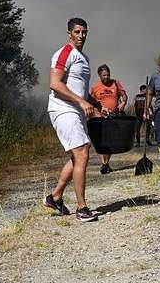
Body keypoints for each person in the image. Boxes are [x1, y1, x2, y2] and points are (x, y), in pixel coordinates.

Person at [43, 17, 100, 222]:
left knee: (78, 155)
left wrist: (95, 104)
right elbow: (55, 84)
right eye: (77, 32)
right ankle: (82, 208)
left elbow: (79, 88)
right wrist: (81, 102)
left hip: (76, 109)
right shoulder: (65, 53)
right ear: (69, 34)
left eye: (84, 32)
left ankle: (55, 197)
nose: (81, 36)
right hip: (63, 109)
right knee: (82, 152)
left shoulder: (83, 57)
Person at [88, 64, 127, 174]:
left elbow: (124, 95)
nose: (106, 77)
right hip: (99, 116)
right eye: (104, 75)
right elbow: (90, 100)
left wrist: (123, 103)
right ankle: (104, 164)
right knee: (102, 141)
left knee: (110, 141)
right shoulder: (95, 88)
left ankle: (106, 163)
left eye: (108, 74)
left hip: (113, 116)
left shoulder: (115, 83)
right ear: (99, 75)